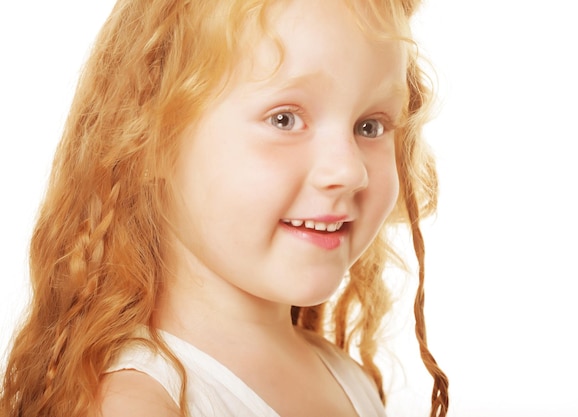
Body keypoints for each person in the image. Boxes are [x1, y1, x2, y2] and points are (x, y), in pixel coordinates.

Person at [0, 0, 448, 416]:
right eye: (284, 119)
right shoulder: (139, 402)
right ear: (149, 141)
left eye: (370, 126)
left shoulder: (344, 376)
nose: (350, 171)